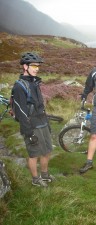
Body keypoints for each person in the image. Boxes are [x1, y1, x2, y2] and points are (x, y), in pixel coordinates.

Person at [12, 52, 54, 187]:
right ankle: (35, 179)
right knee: (34, 154)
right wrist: (28, 132)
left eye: (38, 66)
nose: (36, 68)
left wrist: (47, 122)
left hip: (42, 122)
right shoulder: (19, 86)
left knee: (47, 151)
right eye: (33, 66)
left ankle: (45, 175)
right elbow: (21, 112)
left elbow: (39, 105)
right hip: (32, 125)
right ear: (25, 66)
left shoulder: (35, 82)